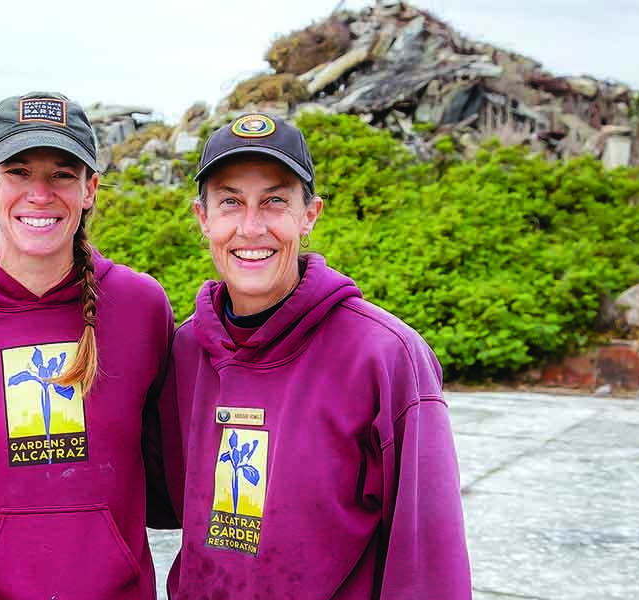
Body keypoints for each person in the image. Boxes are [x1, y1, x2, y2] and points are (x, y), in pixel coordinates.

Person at [159, 114, 471, 598]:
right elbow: (166, 501)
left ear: (310, 215)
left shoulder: (387, 356)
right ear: (204, 219)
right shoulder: (186, 350)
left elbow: (428, 560)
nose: (251, 226)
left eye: (275, 201)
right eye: (230, 202)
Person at [0, 91, 175, 599]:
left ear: (90, 188)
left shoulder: (142, 309)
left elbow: (165, 474)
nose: (40, 194)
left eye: (62, 174)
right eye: (19, 172)